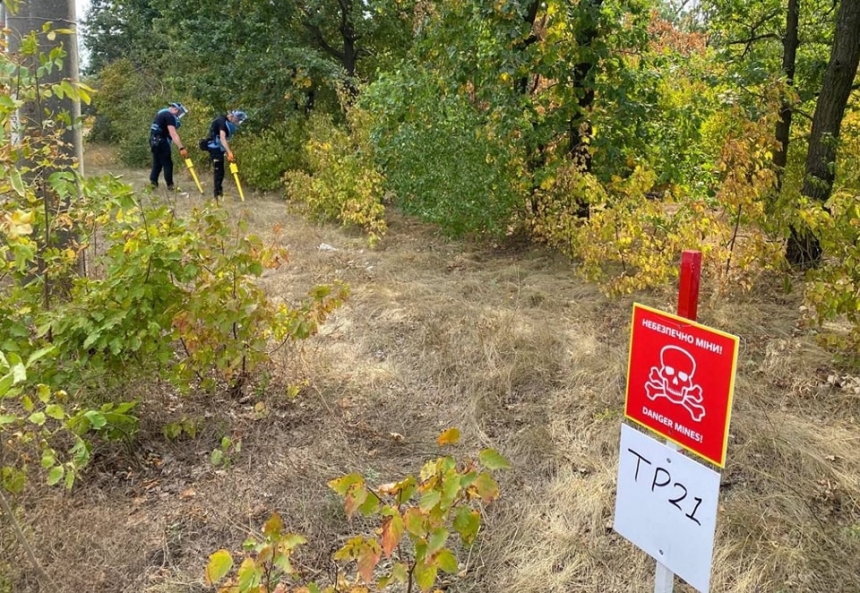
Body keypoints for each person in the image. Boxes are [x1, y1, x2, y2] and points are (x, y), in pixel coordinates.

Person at [206, 110, 247, 199]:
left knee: (221, 171)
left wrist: (226, 151)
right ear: (232, 117)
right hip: (214, 147)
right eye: (237, 120)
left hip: (219, 148)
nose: (237, 122)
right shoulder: (222, 122)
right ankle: (217, 194)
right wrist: (229, 152)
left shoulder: (227, 122)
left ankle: (219, 192)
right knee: (219, 171)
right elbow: (222, 138)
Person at [149, 102, 189, 190]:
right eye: (179, 112)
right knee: (167, 163)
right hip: (161, 142)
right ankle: (170, 185)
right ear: (175, 109)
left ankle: (153, 183)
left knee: (157, 163)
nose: (179, 115)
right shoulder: (169, 116)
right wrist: (181, 148)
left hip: (153, 141)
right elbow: (173, 134)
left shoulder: (161, 114)